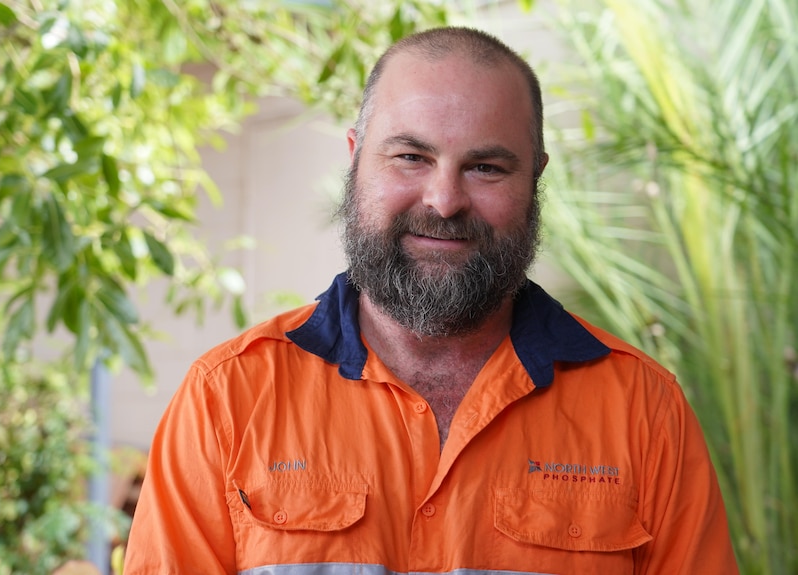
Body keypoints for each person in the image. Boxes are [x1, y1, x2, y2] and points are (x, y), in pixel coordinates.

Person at [123, 26, 738, 575]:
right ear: (356, 158)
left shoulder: (644, 412)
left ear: (535, 178)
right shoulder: (226, 401)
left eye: (487, 168)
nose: (444, 200)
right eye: (411, 157)